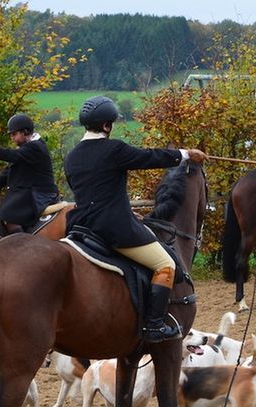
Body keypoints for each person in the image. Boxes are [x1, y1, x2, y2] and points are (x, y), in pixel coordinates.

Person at [64, 95, 207, 343]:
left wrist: (127, 211)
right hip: (114, 229)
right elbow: (149, 157)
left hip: (81, 227)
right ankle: (154, 325)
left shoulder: (72, 156)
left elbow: (94, 193)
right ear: (107, 126)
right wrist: (185, 154)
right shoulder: (114, 149)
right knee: (166, 264)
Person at [0, 114, 59, 234]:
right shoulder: (27, 147)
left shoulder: (35, 147)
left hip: (38, 193)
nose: (12, 138)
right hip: (29, 190)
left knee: (7, 216)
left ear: (25, 132)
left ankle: (20, 245)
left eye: (14, 134)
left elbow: (11, 155)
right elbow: (10, 168)